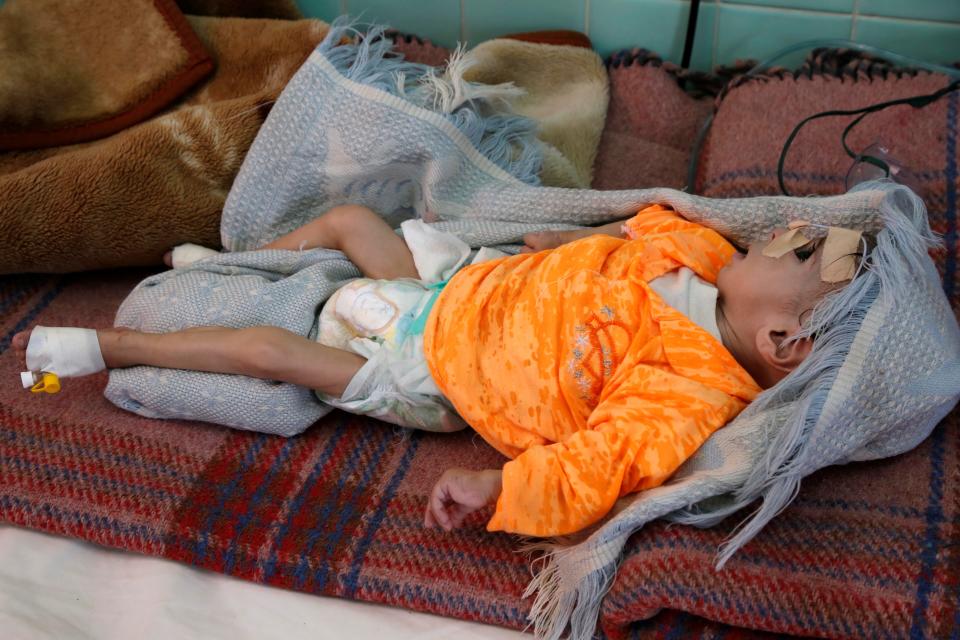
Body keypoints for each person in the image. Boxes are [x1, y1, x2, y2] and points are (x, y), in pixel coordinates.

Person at [13, 201, 861, 537]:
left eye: (804, 250)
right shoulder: (708, 253)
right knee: (349, 219)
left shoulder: (693, 387)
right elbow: (641, 229)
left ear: (783, 340)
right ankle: (230, 264)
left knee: (271, 354)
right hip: (461, 281)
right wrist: (560, 244)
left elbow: (604, 460)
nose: (790, 230)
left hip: (438, 367)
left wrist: (500, 487)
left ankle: (104, 349)